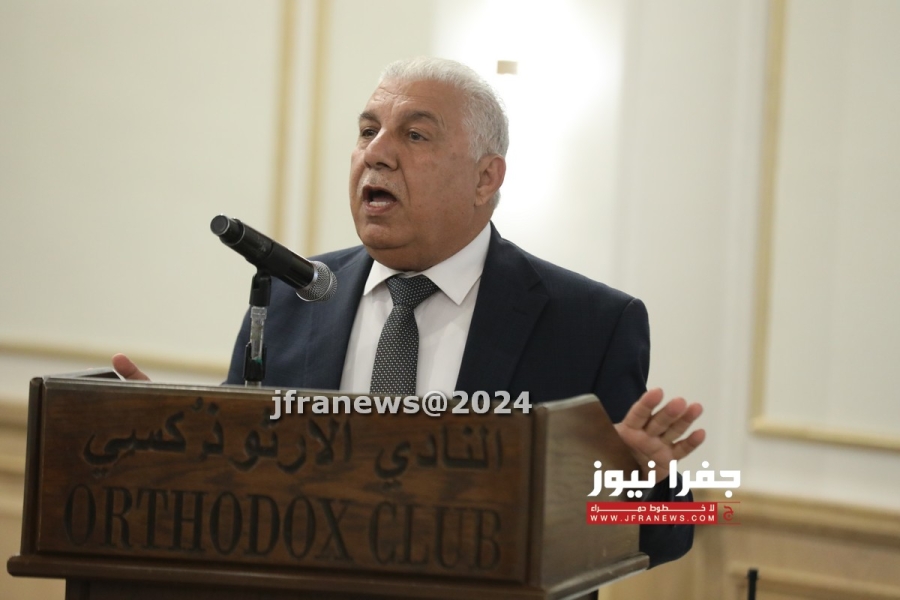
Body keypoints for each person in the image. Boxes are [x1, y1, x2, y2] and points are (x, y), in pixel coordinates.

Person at [114, 56, 704, 569]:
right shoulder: (289, 297)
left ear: (485, 177)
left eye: (415, 135)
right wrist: (167, 451)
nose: (376, 153)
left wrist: (646, 484)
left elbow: (670, 535)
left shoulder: (589, 324)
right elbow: (232, 486)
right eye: (367, 131)